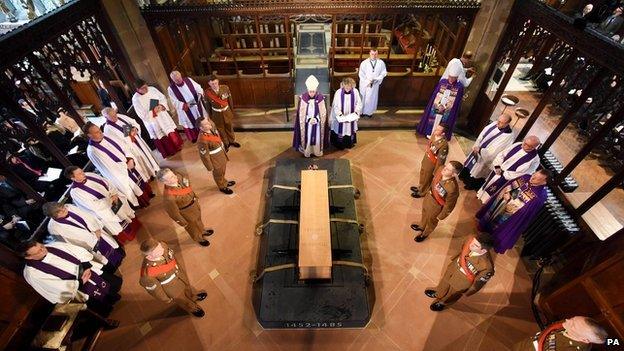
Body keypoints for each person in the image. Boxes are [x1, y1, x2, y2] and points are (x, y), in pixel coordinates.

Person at [22, 240, 122, 316]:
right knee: (99, 301)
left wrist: (86, 266)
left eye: (41, 246)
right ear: (29, 257)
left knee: (108, 287)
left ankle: (114, 297)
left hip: (88, 272)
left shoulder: (52, 246)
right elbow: (54, 287)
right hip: (78, 289)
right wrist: (80, 282)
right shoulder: (32, 274)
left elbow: (76, 251)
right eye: (39, 251)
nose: (44, 249)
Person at [476, 169, 549, 254]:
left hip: (513, 215)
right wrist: (509, 194)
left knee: (500, 226)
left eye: (537, 179)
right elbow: (515, 187)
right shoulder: (526, 177)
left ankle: (490, 241)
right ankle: (484, 228)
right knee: (492, 215)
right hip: (501, 203)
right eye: (534, 175)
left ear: (544, 182)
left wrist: (511, 200)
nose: (532, 178)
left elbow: (526, 211)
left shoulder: (540, 195)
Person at [65, 166, 139, 245]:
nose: (83, 173)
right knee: (119, 224)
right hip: (105, 210)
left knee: (127, 213)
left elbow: (106, 182)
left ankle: (137, 227)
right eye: (79, 173)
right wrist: (110, 200)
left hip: (115, 198)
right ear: (73, 178)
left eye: (81, 171)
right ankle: (131, 236)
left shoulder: (89, 175)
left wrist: (113, 193)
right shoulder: (75, 192)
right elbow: (92, 205)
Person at [43, 202, 125, 272]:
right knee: (104, 258)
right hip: (89, 244)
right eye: (60, 211)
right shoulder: (53, 228)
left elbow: (87, 215)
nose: (64, 210)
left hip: (96, 231)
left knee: (112, 245)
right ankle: (114, 266)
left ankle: (121, 255)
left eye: (63, 207)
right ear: (53, 216)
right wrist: (91, 241)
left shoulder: (69, 207)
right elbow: (67, 242)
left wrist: (96, 228)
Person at [425, 232, 495, 311]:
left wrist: (468, 292)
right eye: (473, 242)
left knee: (452, 294)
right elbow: (463, 248)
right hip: (454, 267)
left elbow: (478, 283)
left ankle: (443, 302)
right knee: (444, 282)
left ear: (483, 251)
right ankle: (439, 292)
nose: (471, 245)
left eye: (476, 245)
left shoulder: (486, 266)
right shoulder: (471, 241)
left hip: (461, 281)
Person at [139, 239, 207, 317]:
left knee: (187, 288)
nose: (161, 249)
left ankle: (192, 297)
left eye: (159, 246)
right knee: (183, 300)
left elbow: (171, 256)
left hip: (180, 276)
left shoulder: (163, 246)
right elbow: (155, 290)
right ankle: (192, 308)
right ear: (149, 256)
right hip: (171, 289)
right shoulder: (147, 274)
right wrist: (166, 298)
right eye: (157, 250)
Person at [84, 122, 143, 207]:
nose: (100, 132)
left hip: (128, 161)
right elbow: (109, 166)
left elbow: (122, 144)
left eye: (99, 130)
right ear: (89, 135)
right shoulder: (93, 151)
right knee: (132, 188)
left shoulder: (106, 136)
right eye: (97, 132)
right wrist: (126, 165)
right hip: (120, 172)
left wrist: (129, 158)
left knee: (139, 181)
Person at [156, 168, 214, 246]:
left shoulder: (179, 177)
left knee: (198, 221)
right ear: (165, 182)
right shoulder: (169, 197)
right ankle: (198, 238)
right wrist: (183, 222)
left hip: (194, 205)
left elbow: (188, 188)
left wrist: (195, 198)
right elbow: (173, 213)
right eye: (171, 177)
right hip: (186, 213)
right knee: (192, 228)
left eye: (173, 174)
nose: (175, 177)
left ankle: (202, 231)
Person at [102, 107, 160, 183]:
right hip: (130, 147)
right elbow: (117, 142)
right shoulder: (108, 129)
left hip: (137, 140)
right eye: (112, 117)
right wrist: (129, 135)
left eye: (115, 114)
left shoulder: (120, 116)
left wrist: (135, 128)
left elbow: (133, 122)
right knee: (141, 161)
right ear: (106, 117)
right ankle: (149, 175)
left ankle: (155, 169)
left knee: (147, 155)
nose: (115, 117)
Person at [477, 135, 541, 203]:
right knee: (488, 184)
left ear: (533, 147)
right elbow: (502, 154)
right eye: (524, 141)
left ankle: (486, 202)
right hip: (497, 169)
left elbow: (524, 174)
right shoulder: (518, 144)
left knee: (495, 193)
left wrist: (503, 174)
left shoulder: (535, 160)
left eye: (527, 145)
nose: (523, 144)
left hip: (507, 179)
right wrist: (497, 166)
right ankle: (480, 195)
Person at [460, 114, 515, 190]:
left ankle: (470, 184)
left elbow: (496, 150)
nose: (497, 123)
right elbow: (483, 133)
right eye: (498, 120)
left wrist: (480, 150)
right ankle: (463, 177)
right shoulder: (494, 124)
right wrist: (477, 144)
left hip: (484, 156)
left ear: (507, 124)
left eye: (501, 122)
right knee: (471, 164)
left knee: (478, 170)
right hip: (477, 149)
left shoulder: (508, 136)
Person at [411, 161, 462, 242]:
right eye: (446, 166)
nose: (444, 169)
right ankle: (421, 226)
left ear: (453, 174)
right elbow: (433, 181)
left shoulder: (452, 189)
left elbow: (449, 205)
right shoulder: (440, 169)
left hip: (436, 207)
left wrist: (441, 216)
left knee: (431, 222)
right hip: (428, 198)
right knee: (424, 213)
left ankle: (424, 234)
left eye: (448, 169)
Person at [131, 79, 183, 158]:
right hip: (153, 121)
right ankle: (170, 151)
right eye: (143, 88)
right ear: (138, 89)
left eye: (146, 86)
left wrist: (162, 105)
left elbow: (162, 97)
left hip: (162, 114)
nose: (146, 89)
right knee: (161, 135)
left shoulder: (152, 89)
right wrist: (153, 111)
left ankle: (177, 146)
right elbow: (141, 114)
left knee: (169, 130)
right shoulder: (135, 99)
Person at [417, 64, 464, 140]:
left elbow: (457, 101)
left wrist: (448, 105)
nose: (451, 79)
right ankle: (430, 132)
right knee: (433, 119)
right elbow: (435, 94)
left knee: (443, 122)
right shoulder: (443, 81)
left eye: (453, 78)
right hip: (437, 105)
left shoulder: (460, 87)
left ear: (457, 77)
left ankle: (439, 135)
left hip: (448, 109)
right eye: (450, 77)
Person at [513, 316, 608, 351]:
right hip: (525, 345)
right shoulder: (567, 324)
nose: (567, 320)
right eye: (572, 318)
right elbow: (551, 328)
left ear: (583, 340)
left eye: (573, 325)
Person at [196, 117, 235, 194]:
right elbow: (204, 155)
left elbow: (211, 122)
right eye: (206, 124)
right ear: (201, 127)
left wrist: (207, 119)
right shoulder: (202, 140)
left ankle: (225, 182)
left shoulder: (211, 128)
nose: (209, 123)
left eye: (208, 121)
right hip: (214, 160)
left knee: (223, 171)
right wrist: (209, 167)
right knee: (218, 174)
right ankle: (222, 186)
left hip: (221, 155)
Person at [293, 75, 329, 158]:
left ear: (316, 90)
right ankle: (307, 151)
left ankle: (317, 151)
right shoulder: (303, 98)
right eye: (310, 91)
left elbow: (323, 112)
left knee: (317, 137)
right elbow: (301, 114)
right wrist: (308, 119)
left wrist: (316, 119)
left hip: (317, 124)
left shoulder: (320, 98)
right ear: (307, 90)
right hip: (307, 124)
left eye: (313, 91)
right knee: (308, 137)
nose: (312, 93)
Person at [410, 124, 449, 199]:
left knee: (427, 179)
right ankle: (420, 187)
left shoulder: (444, 145)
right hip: (426, 159)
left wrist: (436, 171)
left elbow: (441, 160)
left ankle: (422, 192)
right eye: (436, 128)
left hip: (432, 164)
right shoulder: (434, 135)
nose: (435, 130)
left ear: (443, 133)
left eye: (438, 130)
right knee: (422, 174)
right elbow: (430, 146)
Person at [168, 71, 205, 143]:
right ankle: (195, 137)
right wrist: (185, 105)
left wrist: (199, 94)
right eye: (176, 80)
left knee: (201, 118)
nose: (179, 80)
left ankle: (205, 133)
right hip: (186, 109)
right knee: (190, 122)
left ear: (181, 76)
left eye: (179, 78)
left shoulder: (188, 80)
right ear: (173, 80)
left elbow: (198, 87)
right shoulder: (171, 88)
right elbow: (174, 101)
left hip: (196, 105)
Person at [204, 75, 240, 149]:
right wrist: (210, 117)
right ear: (209, 84)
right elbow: (208, 107)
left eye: (215, 83)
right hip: (216, 114)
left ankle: (232, 141)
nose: (214, 85)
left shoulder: (225, 88)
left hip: (226, 111)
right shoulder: (207, 93)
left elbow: (230, 101)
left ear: (218, 81)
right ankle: (226, 143)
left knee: (229, 127)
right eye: (212, 84)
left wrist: (231, 111)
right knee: (220, 129)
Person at [329, 77, 363, 150]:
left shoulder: (355, 92)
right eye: (346, 86)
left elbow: (359, 103)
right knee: (339, 129)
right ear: (343, 85)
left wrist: (356, 112)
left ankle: (349, 143)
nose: (347, 88)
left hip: (351, 116)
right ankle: (339, 144)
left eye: (349, 87)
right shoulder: (338, 92)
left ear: (352, 86)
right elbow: (335, 105)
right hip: (341, 116)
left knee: (349, 129)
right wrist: (340, 114)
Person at [358, 48, 387, 118]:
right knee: (362, 98)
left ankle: (368, 113)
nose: (374, 56)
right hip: (365, 84)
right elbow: (361, 74)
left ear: (377, 54)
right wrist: (367, 81)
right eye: (372, 54)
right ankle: (360, 112)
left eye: (376, 54)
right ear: (369, 53)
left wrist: (376, 79)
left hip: (374, 84)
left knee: (371, 98)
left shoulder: (381, 63)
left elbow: (384, 73)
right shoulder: (364, 63)